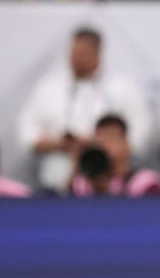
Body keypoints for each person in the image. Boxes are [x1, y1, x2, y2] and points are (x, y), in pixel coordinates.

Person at [16, 26, 152, 193]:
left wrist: (99, 145)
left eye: (83, 54)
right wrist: (61, 144)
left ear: (98, 55)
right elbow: (27, 132)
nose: (76, 59)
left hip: (110, 184)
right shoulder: (48, 88)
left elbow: (140, 135)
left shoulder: (123, 89)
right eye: (73, 53)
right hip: (54, 179)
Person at [71, 114, 160, 197]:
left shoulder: (144, 183)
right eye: (99, 141)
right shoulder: (81, 185)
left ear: (127, 146)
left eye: (111, 140)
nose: (105, 147)